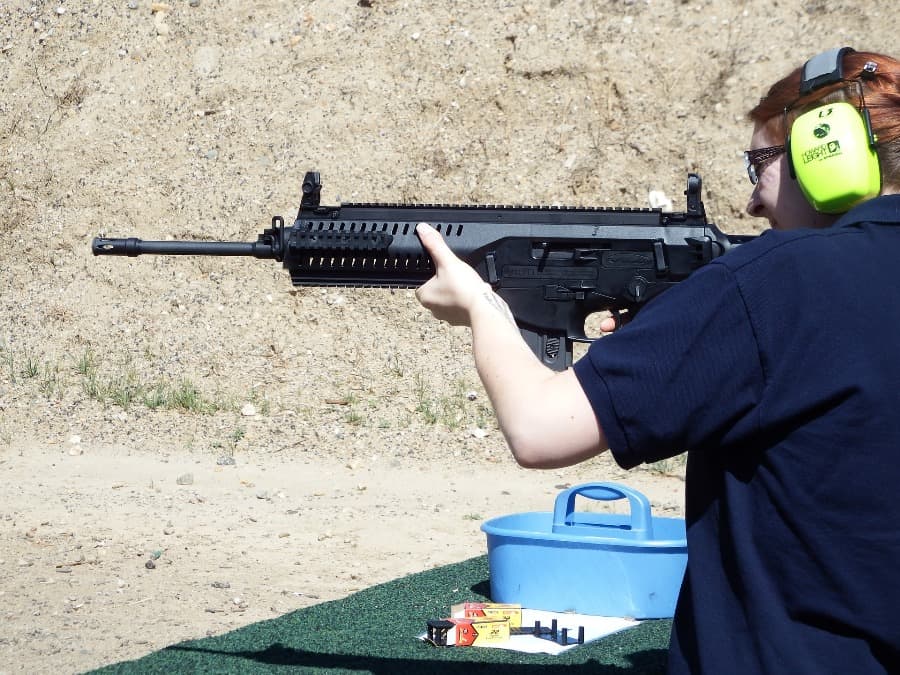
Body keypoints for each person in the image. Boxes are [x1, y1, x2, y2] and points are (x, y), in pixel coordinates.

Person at [415, 47, 900, 674]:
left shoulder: (776, 283)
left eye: (760, 163)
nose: (753, 202)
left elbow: (540, 427)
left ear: (822, 152)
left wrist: (480, 306)